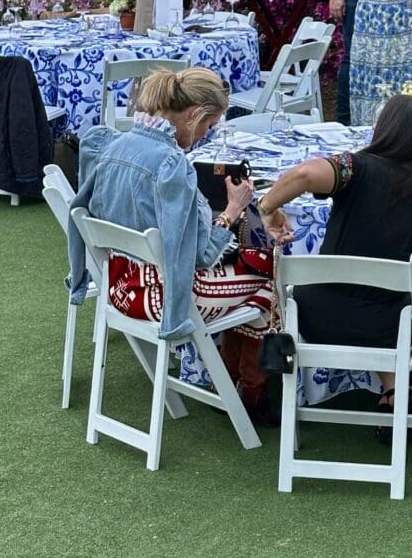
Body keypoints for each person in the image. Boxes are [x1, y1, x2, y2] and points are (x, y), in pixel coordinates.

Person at [66, 68, 293, 421]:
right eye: (208, 125)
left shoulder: (110, 145)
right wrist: (231, 211)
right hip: (163, 300)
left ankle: (234, 380)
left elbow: (80, 211)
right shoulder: (172, 166)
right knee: (271, 278)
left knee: (254, 261)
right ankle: (251, 389)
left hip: (121, 289)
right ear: (193, 115)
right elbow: (199, 257)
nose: (206, 134)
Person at [256, 93, 412, 418]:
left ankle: (264, 387)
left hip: (317, 316)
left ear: (387, 129)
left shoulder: (357, 168)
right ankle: (394, 389)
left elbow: (304, 175)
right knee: (403, 293)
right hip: (389, 326)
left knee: (279, 280)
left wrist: (267, 207)